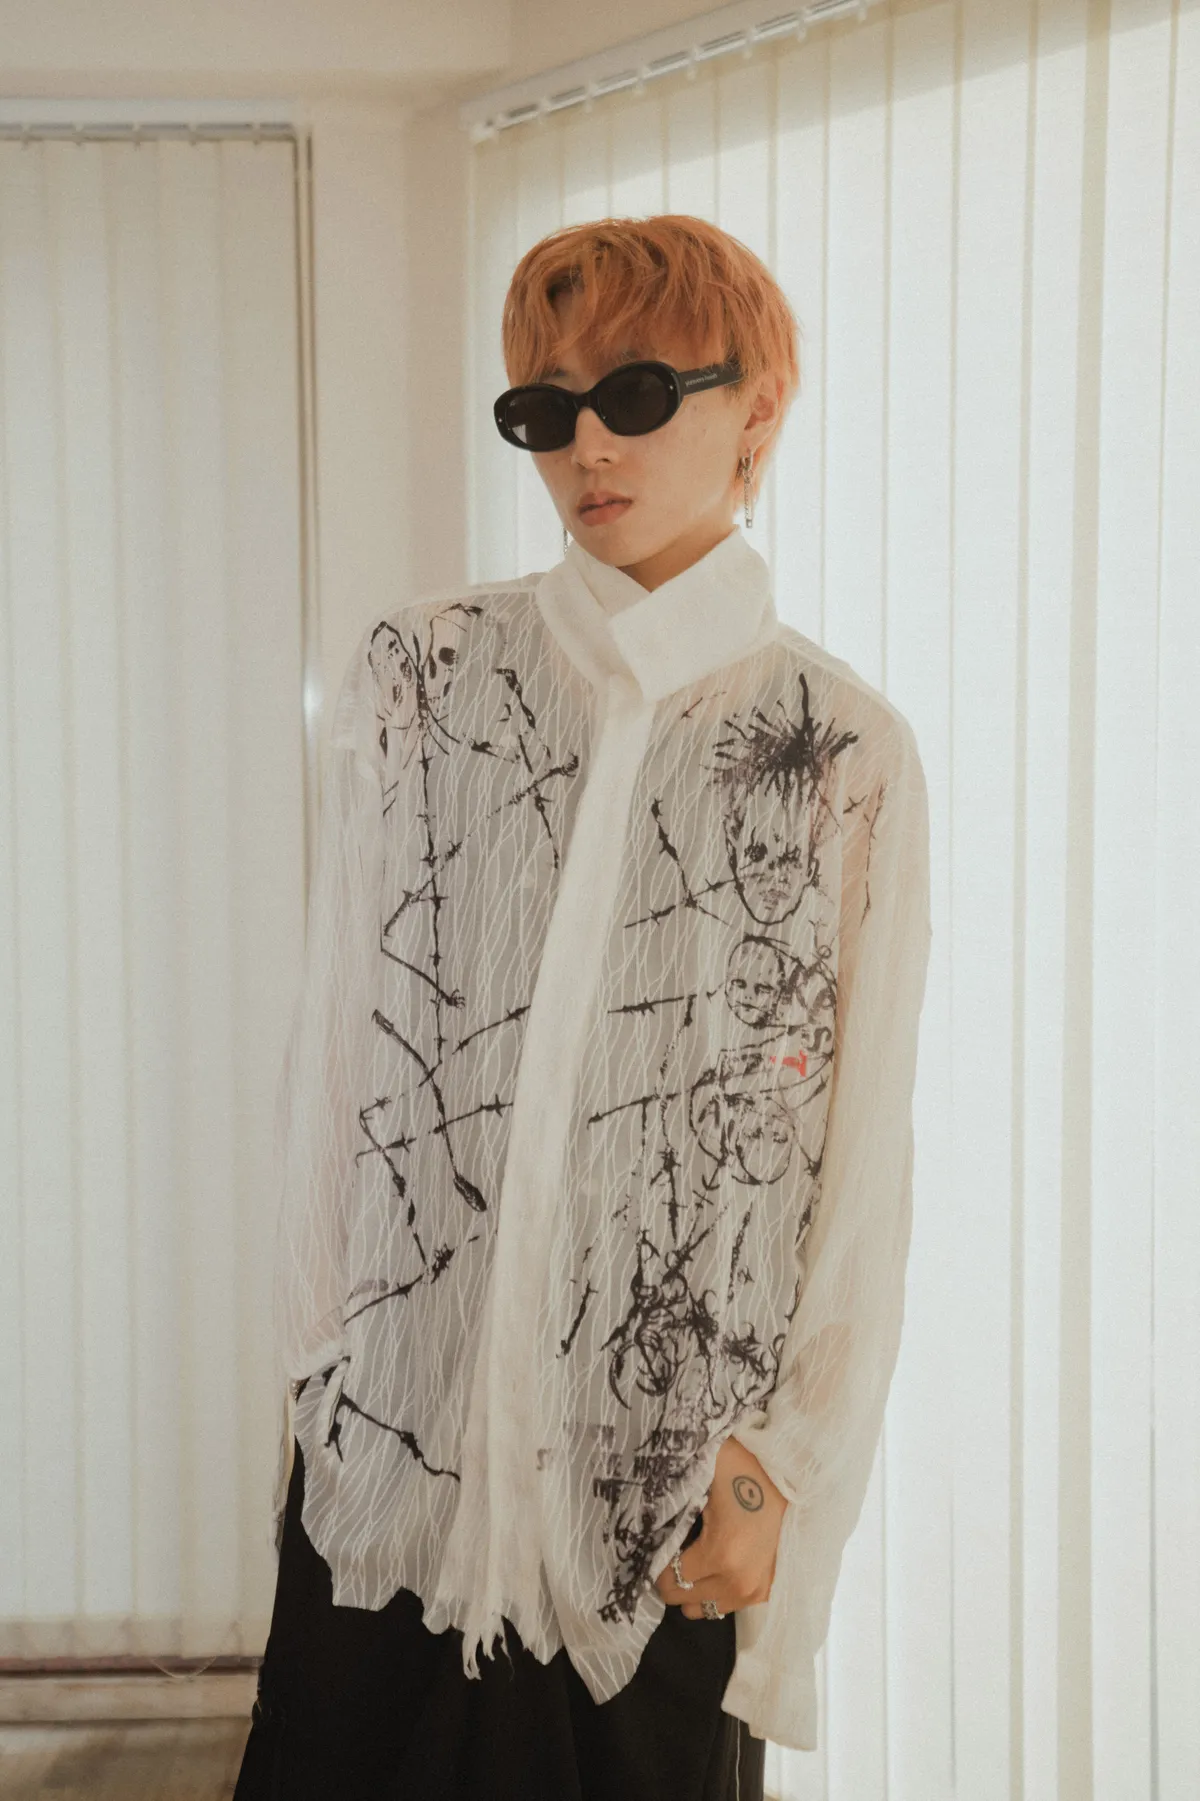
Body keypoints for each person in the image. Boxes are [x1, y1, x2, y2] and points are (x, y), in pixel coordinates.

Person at [234, 214, 931, 1800]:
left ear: (758, 408)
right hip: (392, 1481)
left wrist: (786, 1464)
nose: (585, 448)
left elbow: (858, 1156)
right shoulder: (424, 676)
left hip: (664, 1511)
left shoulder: (841, 752)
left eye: (633, 393)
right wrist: (325, 1377)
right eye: (544, 411)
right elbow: (335, 1062)